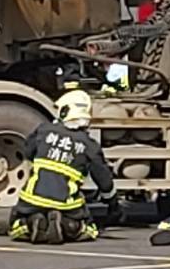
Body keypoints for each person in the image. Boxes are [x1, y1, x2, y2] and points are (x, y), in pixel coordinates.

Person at [9, 90, 116, 245]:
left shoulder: (44, 131)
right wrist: (113, 204)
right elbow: (104, 181)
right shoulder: (89, 145)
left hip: (32, 199)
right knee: (89, 229)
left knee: (17, 227)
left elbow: (27, 151)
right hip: (67, 203)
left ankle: (32, 223)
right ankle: (68, 225)